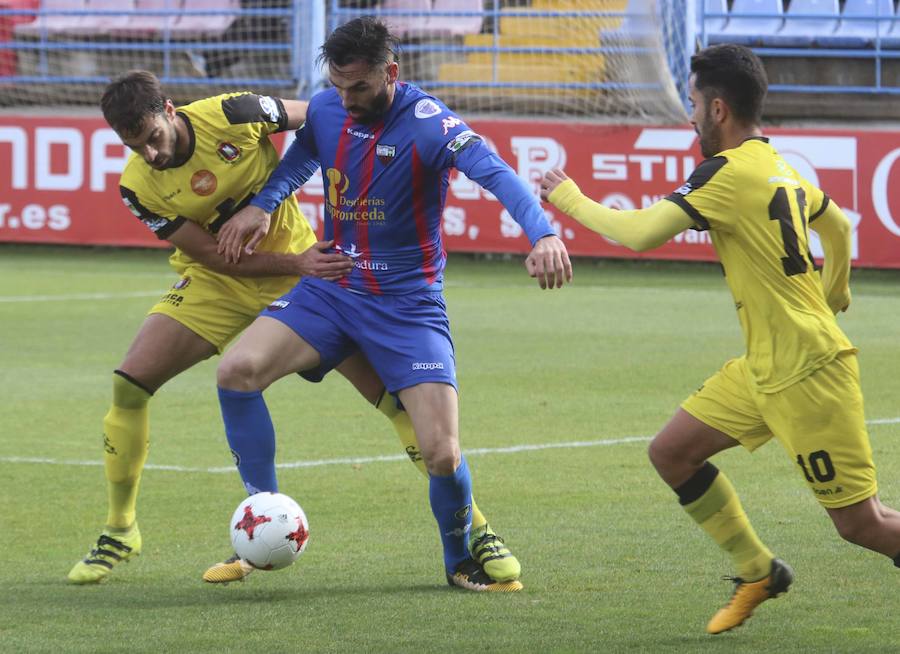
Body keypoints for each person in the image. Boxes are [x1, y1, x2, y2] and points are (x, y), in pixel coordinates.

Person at [67, 70, 521, 587]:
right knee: (130, 383)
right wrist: (295, 263)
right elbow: (217, 256)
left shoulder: (236, 112)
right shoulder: (137, 186)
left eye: (153, 138)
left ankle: (476, 529)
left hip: (310, 272)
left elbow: (326, 117)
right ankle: (122, 529)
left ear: (170, 111)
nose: (149, 154)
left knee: (395, 402)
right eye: (134, 146)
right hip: (226, 279)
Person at [541, 43, 900, 633]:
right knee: (672, 453)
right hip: (765, 367)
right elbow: (836, 226)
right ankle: (757, 570)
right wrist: (835, 294)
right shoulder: (779, 166)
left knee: (863, 525)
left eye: (692, 104)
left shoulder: (726, 174)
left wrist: (567, 196)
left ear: (717, 110)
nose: (688, 115)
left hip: (809, 375)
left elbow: (639, 234)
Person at [213, 16, 572, 592]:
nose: (346, 100)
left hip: (407, 304)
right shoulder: (329, 107)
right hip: (331, 289)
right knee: (237, 372)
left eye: (359, 87)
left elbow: (499, 175)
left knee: (441, 452)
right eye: (338, 85)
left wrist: (543, 234)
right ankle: (263, 518)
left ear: (391, 73)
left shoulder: (430, 124)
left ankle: (459, 558)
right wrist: (263, 203)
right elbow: (303, 154)